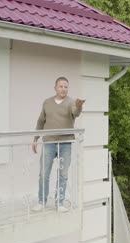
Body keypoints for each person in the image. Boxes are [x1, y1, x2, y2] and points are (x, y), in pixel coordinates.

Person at [31, 77, 85, 212]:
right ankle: (41, 202)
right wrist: (35, 139)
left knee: (63, 175)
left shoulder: (71, 102)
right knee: (44, 174)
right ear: (55, 87)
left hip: (65, 143)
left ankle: (59, 203)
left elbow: (75, 113)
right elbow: (40, 121)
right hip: (49, 142)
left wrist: (79, 106)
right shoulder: (47, 103)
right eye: (61, 86)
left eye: (66, 87)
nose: (63, 89)